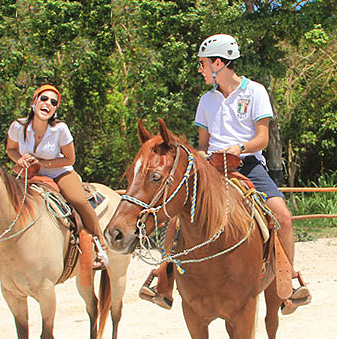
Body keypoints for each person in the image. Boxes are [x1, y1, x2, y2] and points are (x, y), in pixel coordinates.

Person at [140, 34, 312, 314]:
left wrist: (239, 147)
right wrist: (202, 157)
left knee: (281, 214)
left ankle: (286, 283)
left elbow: (263, 138)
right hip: (211, 168)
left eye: (203, 63)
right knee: (176, 211)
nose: (200, 69)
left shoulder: (255, 91)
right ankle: (165, 279)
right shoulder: (206, 101)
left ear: (218, 63)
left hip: (248, 164)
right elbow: (204, 144)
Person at [6, 84, 109, 270]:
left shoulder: (60, 129)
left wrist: (41, 162)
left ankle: (100, 244)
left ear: (55, 110)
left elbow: (70, 158)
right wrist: (20, 160)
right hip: (30, 173)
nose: (48, 103)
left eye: (53, 102)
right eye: (44, 99)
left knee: (78, 200)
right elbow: (10, 149)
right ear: (34, 102)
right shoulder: (18, 126)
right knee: (10, 201)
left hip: (58, 171)